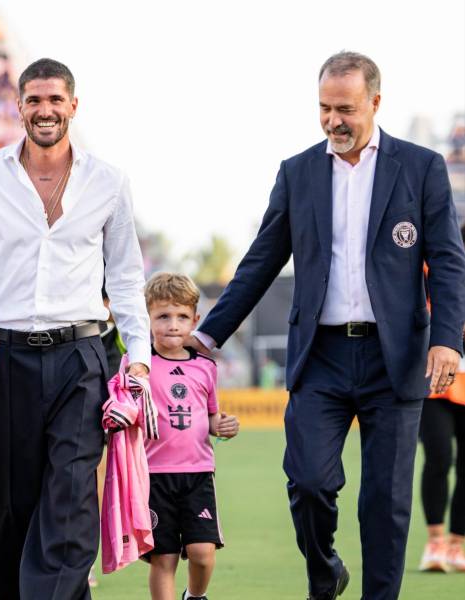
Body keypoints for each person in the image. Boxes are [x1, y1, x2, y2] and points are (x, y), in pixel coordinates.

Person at [188, 51, 465, 600]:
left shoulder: (421, 167)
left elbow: (450, 260)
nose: (333, 120)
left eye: (345, 109)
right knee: (309, 482)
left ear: (375, 104)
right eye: (324, 108)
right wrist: (206, 334)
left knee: (383, 501)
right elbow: (261, 260)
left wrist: (447, 341)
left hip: (396, 358)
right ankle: (324, 570)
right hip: (321, 357)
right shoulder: (298, 172)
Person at [0, 58, 151, 600]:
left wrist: (141, 359)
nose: (45, 110)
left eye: (55, 100)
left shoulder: (109, 182)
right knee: (4, 505)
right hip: (2, 358)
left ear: (73, 106)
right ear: (19, 107)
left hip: (81, 358)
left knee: (72, 496)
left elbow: (126, 278)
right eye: (34, 100)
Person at [141, 273, 239, 600]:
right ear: (147, 318)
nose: (173, 324)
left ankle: (195, 597)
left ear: (195, 320)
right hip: (154, 476)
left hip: (197, 474)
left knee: (202, 553)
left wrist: (221, 425)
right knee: (163, 557)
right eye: (163, 316)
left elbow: (210, 416)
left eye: (182, 317)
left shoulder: (204, 368)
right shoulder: (138, 366)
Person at [418, 224, 465, 573]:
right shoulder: (434, 269)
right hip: (435, 379)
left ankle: (458, 544)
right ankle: (435, 542)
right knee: (439, 455)